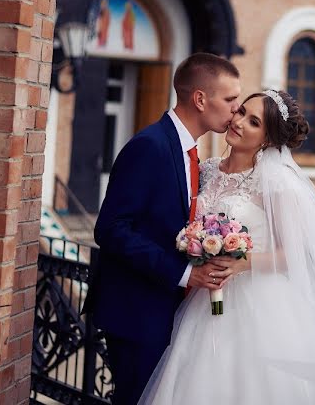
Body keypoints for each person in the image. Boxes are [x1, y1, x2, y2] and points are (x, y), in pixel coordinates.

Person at [139, 90, 315, 405]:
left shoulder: (275, 183)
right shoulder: (206, 170)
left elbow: (294, 253)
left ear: (268, 140)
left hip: (258, 303)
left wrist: (242, 262)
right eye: (242, 112)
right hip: (204, 301)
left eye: (254, 121)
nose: (240, 122)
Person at [88, 53, 242, 405]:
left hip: (166, 311)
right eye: (231, 99)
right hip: (136, 313)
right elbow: (111, 229)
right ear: (201, 99)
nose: (236, 109)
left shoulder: (191, 153)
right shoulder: (151, 146)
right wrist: (186, 273)